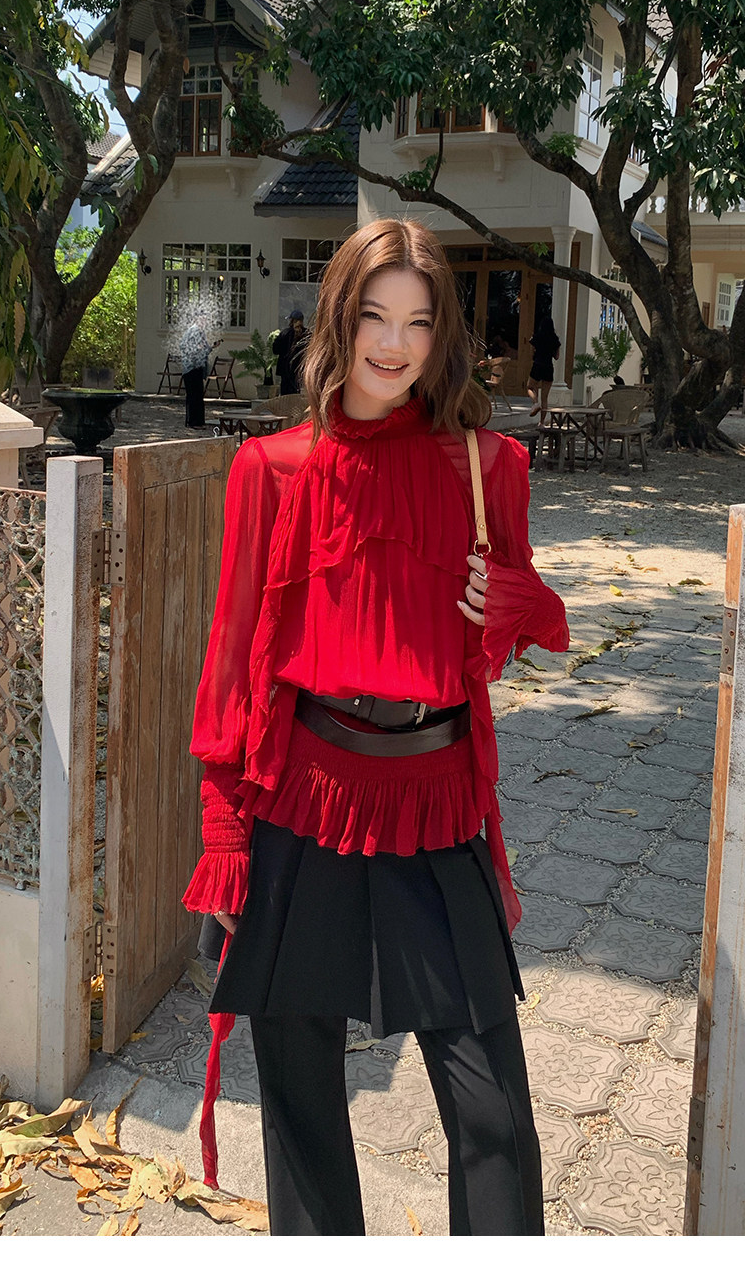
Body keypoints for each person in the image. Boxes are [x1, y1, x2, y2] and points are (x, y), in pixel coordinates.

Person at [182, 217, 570, 1236]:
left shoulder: (490, 466)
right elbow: (233, 662)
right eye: (374, 316)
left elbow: (528, 621)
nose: (394, 345)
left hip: (434, 808)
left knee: (493, 1116)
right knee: (302, 1104)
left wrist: (519, 602)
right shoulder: (271, 468)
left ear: (443, 336)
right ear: (338, 321)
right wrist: (224, 834)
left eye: (419, 321)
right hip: (301, 803)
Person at [525, 304, 561, 421]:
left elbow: (531, 352)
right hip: (548, 367)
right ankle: (541, 422)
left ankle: (535, 403)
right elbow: (557, 357)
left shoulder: (537, 337)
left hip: (538, 364)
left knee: (530, 386)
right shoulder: (555, 340)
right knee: (545, 397)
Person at [180, 317, 210, 428]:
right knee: (193, 396)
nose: (205, 322)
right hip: (191, 368)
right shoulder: (193, 331)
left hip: (197, 368)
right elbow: (184, 347)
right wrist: (197, 349)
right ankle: (193, 422)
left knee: (198, 396)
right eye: (203, 320)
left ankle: (198, 421)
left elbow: (204, 349)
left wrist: (210, 347)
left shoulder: (200, 332)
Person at [272, 309, 308, 395]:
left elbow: (275, 350)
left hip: (285, 369)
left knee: (285, 394)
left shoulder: (285, 333)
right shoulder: (307, 334)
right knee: (296, 393)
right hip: (299, 369)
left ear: (291, 321)